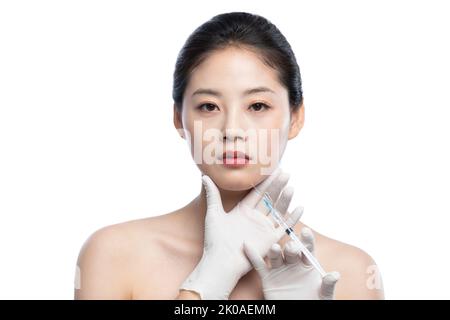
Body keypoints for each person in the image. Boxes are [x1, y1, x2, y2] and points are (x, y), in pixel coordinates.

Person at [74, 12, 384, 300]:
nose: (232, 130)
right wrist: (208, 281)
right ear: (179, 119)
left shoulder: (351, 273)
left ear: (296, 117)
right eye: (209, 106)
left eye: (257, 106)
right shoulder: (113, 256)